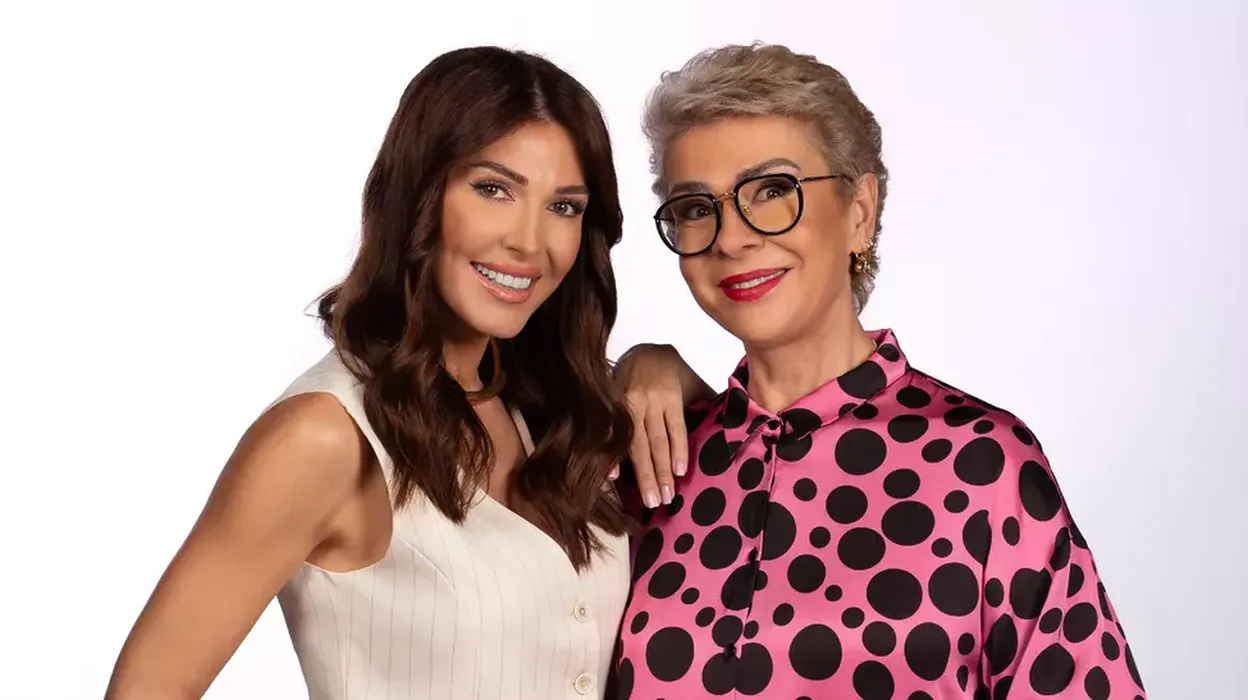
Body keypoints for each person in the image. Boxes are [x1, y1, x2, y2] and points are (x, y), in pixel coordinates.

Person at [105, 46, 705, 700]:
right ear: (419, 192)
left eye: (563, 206)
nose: (529, 242)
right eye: (493, 189)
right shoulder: (322, 437)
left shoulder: (549, 412)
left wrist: (659, 364)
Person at [612, 43, 1147, 699]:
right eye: (697, 207)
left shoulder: (982, 461)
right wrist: (634, 366)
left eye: (773, 191)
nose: (731, 237)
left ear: (859, 211)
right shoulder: (652, 456)